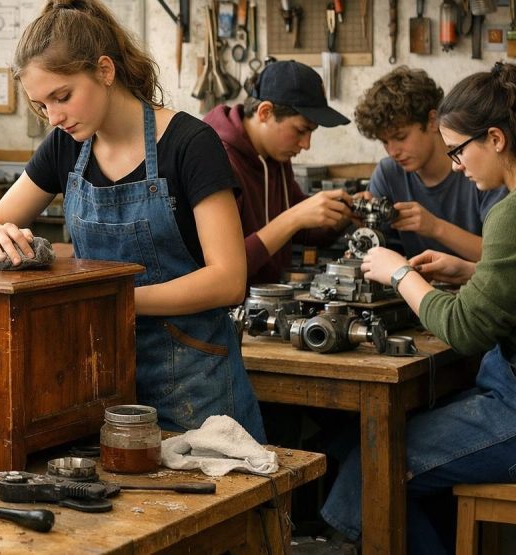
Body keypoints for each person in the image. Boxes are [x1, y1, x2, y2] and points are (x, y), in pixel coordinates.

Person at [0, 0, 264, 440]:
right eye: (42, 105)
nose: (53, 116)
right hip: (99, 379)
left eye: (62, 96)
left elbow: (227, 279)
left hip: (193, 380)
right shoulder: (65, 147)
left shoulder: (190, 144)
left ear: (105, 71)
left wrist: (111, 301)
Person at [321, 61, 516, 554]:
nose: (456, 165)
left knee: (375, 462)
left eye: (459, 150)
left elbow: (465, 329)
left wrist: (398, 273)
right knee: (366, 446)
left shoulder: (509, 211)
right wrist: (472, 274)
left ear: (495, 138)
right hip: (502, 385)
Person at [203, 61, 355, 286]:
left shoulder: (275, 155)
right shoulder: (215, 160)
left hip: (274, 304)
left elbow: (304, 233)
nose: (306, 144)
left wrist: (341, 214)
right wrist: (293, 217)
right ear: (265, 112)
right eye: (301, 130)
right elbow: (225, 268)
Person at [354, 66, 506, 260]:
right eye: (384, 141)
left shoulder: (481, 169)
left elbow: (502, 259)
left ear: (432, 120)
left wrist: (435, 227)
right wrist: (360, 221)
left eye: (400, 137)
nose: (393, 152)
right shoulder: (388, 173)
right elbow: (375, 245)